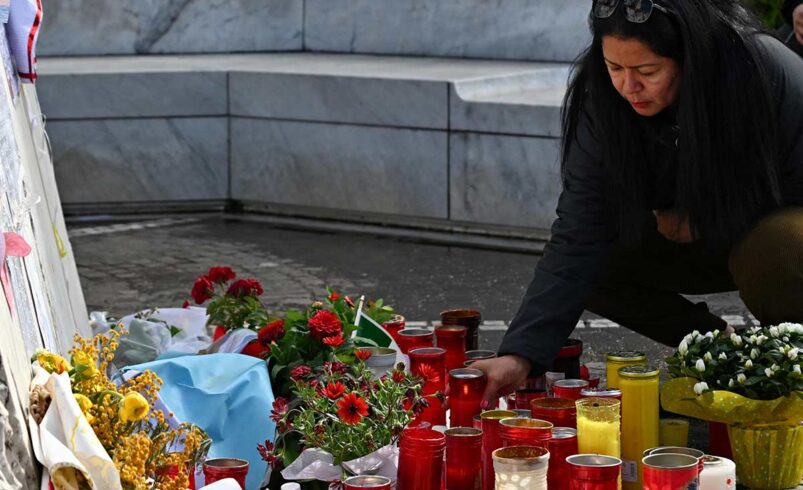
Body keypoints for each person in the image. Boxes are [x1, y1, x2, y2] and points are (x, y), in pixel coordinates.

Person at [472, 0, 803, 408]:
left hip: (771, 237)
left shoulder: (761, 71)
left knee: (783, 245)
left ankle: (792, 363)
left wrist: (712, 214)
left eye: (648, 72)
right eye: (615, 69)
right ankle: (720, 349)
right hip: (696, 242)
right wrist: (520, 355)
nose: (629, 87)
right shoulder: (603, 99)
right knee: (595, 258)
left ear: (689, 57)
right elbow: (580, 227)